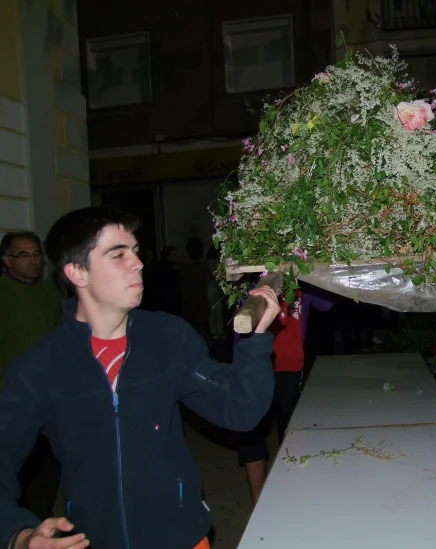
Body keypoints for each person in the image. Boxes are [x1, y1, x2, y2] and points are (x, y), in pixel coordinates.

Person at [0, 207, 280, 549]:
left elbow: (241, 410)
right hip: (94, 541)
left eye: (135, 251)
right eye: (118, 255)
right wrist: (17, 534)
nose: (138, 263)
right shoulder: (39, 367)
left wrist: (256, 339)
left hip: (181, 538)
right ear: (77, 272)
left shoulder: (168, 338)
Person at [236, 279, 333, 504]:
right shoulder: (250, 278)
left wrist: (312, 273)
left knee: (292, 434)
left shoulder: (302, 280)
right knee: (252, 437)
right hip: (251, 365)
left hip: (289, 367)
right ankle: (258, 505)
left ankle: (293, 499)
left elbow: (326, 304)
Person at [0, 232, 63, 521]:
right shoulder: (4, 294)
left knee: (49, 464)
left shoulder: (49, 291)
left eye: (37, 254)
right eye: (23, 255)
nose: (33, 261)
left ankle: (41, 515)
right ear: (6, 260)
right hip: (14, 399)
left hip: (51, 396)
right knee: (18, 465)